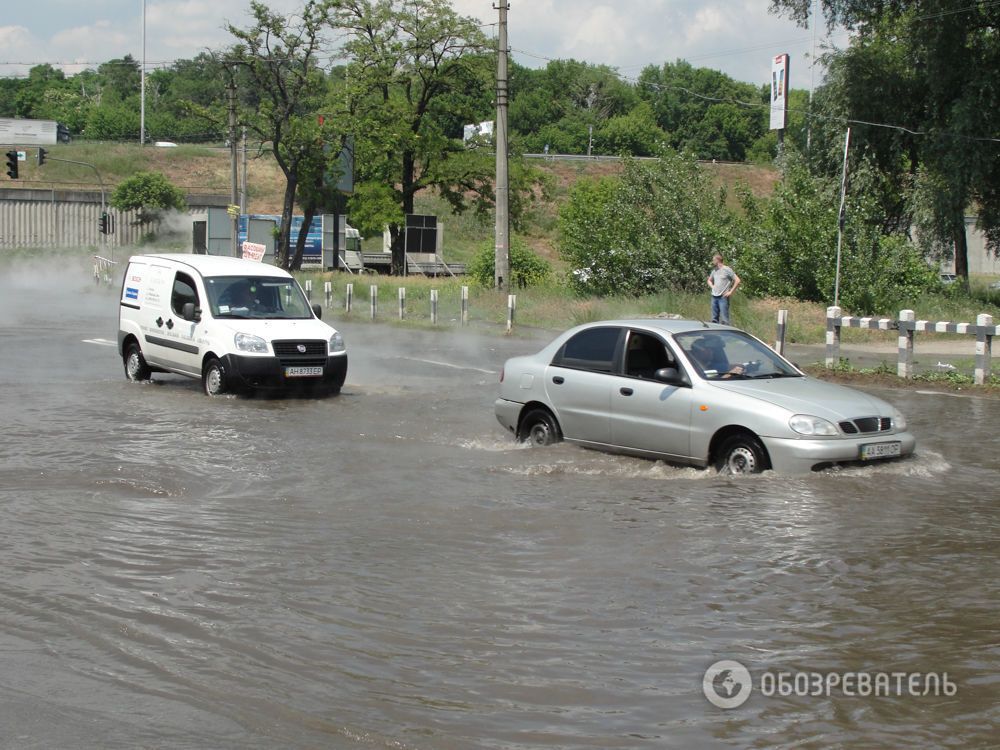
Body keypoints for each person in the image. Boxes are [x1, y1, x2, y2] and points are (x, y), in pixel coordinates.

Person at [707, 253, 740, 325]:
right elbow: (709, 280)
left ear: (718, 260)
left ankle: (726, 334)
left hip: (723, 297)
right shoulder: (714, 270)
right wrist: (713, 287)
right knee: (714, 319)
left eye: (713, 260)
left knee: (725, 320)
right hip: (714, 297)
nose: (712, 262)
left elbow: (737, 280)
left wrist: (730, 292)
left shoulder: (727, 269)